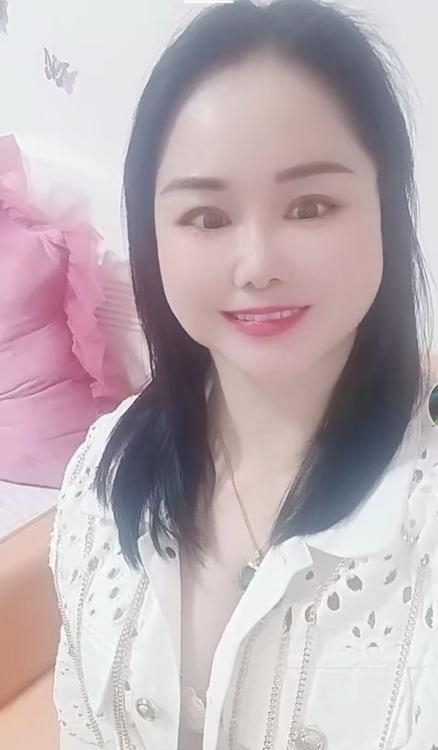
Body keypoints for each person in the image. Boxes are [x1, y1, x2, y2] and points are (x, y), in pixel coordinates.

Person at [48, 1, 438, 748]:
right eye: (206, 217)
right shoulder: (101, 470)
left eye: (310, 206)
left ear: (386, 210)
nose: (257, 266)